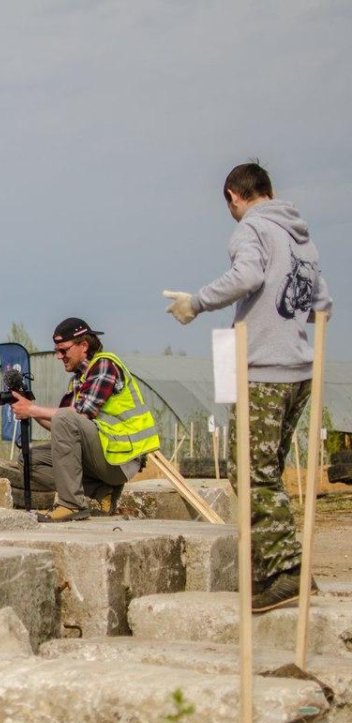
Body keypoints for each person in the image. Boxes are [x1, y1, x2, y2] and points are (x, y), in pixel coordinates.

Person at [163, 161, 333, 612]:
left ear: (234, 196)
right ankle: (276, 571)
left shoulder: (251, 230)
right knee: (267, 473)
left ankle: (286, 573)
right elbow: (323, 303)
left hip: (262, 369)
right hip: (300, 370)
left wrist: (196, 303)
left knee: (248, 470)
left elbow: (249, 277)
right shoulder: (302, 238)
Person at [9, 317, 160, 523]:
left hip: (121, 458)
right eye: (57, 351)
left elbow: (79, 414)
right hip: (102, 456)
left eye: (63, 350)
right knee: (28, 461)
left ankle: (72, 505)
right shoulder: (79, 380)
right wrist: (29, 410)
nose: (58, 356)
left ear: (84, 345)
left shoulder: (104, 365)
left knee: (66, 415)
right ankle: (101, 490)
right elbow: (61, 426)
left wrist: (33, 409)